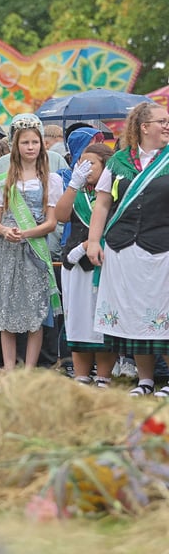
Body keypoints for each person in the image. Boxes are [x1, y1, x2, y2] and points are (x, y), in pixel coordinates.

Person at [87, 103, 169, 396]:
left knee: (160, 313)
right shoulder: (118, 161)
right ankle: (145, 380)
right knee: (134, 315)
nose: (167, 125)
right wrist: (94, 240)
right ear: (144, 127)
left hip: (161, 250)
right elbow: (102, 203)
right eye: (162, 121)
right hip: (122, 250)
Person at [0, 116, 63, 371]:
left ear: (42, 145)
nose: (30, 147)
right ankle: (9, 369)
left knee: (35, 311)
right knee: (6, 309)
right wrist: (6, 231)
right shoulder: (3, 181)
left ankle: (29, 369)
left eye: (35, 142)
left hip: (35, 251)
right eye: (25, 143)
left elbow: (52, 222)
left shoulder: (51, 181)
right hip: (8, 250)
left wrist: (28, 233)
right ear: (15, 146)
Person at [54, 143, 116, 387]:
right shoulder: (77, 192)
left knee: (100, 316)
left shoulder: (112, 193)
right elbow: (59, 215)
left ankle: (103, 376)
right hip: (74, 263)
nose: (85, 168)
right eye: (81, 163)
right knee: (77, 316)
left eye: (91, 164)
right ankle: (81, 374)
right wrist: (73, 185)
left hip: (101, 260)